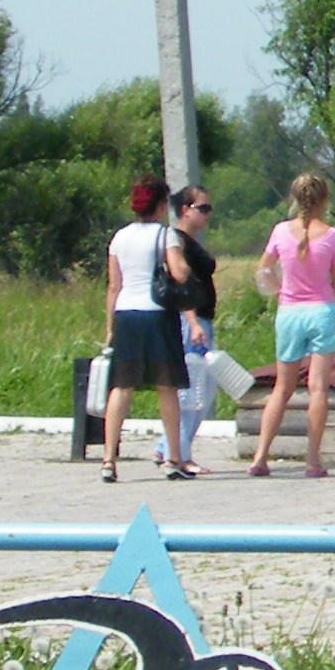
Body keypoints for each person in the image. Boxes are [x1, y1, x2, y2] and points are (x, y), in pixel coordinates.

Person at [249, 170, 335, 480]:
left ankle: (260, 456)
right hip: (321, 310)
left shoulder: (280, 231)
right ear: (324, 200)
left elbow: (263, 270)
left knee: (282, 387)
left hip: (290, 311)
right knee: (318, 388)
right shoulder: (333, 236)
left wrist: (279, 290)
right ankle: (313, 459)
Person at [96, 178, 183, 485]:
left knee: (121, 386)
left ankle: (109, 458)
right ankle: (173, 458)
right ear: (160, 205)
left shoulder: (119, 237)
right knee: (166, 386)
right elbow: (178, 272)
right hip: (157, 314)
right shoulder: (165, 235)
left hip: (126, 315)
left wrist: (110, 327)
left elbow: (113, 286)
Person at [158, 183, 220, 480]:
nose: (208, 214)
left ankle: (166, 447)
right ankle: (180, 455)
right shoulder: (177, 242)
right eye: (202, 208)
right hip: (191, 322)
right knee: (193, 391)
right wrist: (193, 322)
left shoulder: (190, 242)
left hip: (201, 319)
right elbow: (180, 284)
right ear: (185, 210)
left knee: (202, 389)